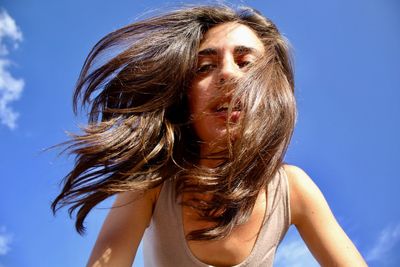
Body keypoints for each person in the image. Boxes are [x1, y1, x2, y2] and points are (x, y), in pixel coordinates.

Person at [52, 4, 367, 267]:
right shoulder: (153, 181)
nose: (228, 74)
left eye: (245, 63)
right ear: (184, 94)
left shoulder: (293, 188)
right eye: (204, 67)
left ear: (273, 90)